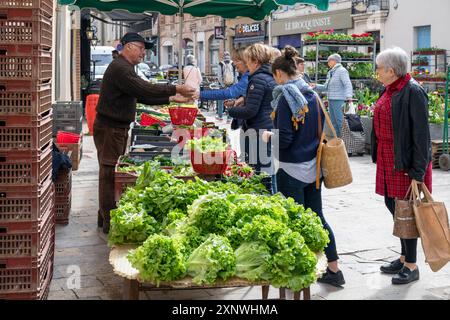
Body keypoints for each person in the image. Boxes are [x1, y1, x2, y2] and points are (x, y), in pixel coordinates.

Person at [94, 32, 195, 233]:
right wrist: (175, 88)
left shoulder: (124, 67)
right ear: (129, 47)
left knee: (111, 170)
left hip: (115, 127)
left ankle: (105, 215)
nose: (143, 53)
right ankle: (108, 220)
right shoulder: (121, 68)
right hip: (110, 128)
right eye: (141, 48)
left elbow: (141, 95)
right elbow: (144, 88)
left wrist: (172, 99)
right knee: (109, 172)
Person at [262, 46, 345, 287]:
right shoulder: (312, 94)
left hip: (291, 169)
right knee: (317, 217)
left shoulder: (287, 98)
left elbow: (285, 138)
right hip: (314, 168)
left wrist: (269, 136)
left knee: (294, 221)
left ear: (279, 73)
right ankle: (334, 269)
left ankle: (299, 273)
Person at [372, 47, 432, 285]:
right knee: (394, 207)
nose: (377, 72)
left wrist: (418, 173)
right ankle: (404, 255)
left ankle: (412, 265)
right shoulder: (390, 89)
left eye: (379, 68)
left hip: (406, 163)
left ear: (391, 70)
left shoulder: (413, 91)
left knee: (407, 212)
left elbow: (421, 136)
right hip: (389, 159)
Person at [227, 43, 276, 174]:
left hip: (257, 131)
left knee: (258, 172)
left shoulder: (258, 79)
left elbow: (250, 111)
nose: (247, 65)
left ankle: (265, 194)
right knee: (266, 168)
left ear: (256, 61)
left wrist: (231, 111)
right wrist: (244, 97)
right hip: (266, 127)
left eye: (248, 61)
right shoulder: (269, 76)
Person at [196, 48, 249, 130]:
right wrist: (241, 99)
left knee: (222, 100)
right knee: (226, 101)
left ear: (246, 61)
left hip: (255, 128)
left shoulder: (248, 77)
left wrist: (199, 94)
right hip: (232, 84)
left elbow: (220, 78)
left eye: (237, 61)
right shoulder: (247, 76)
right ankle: (227, 117)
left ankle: (221, 115)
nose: (234, 64)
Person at [312, 53, 353, 137]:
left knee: (340, 122)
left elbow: (347, 84)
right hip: (331, 99)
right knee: (333, 122)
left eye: (328, 61)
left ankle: (344, 142)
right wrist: (315, 86)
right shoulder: (331, 72)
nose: (327, 63)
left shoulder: (342, 70)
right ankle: (337, 141)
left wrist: (349, 97)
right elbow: (326, 87)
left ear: (333, 61)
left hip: (339, 100)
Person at [216, 51, 238, 121]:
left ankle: (220, 116)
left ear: (223, 56)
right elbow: (236, 75)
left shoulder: (220, 64)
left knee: (220, 101)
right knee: (230, 100)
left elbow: (219, 76)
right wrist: (234, 84)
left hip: (223, 86)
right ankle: (229, 118)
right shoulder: (233, 64)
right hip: (231, 85)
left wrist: (223, 85)